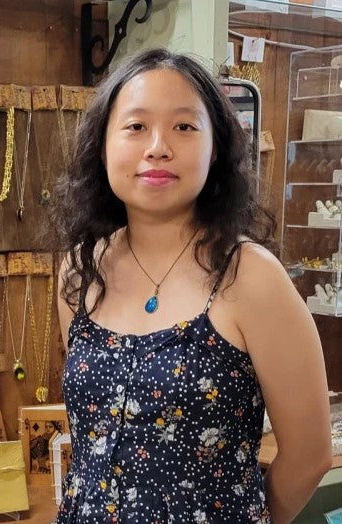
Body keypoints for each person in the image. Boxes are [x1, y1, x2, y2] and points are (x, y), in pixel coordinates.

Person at [50, 48, 332, 523]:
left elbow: (310, 454)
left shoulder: (250, 276)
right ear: (103, 145)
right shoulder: (81, 271)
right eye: (135, 126)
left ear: (216, 147)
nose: (157, 146)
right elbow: (90, 436)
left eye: (184, 126)